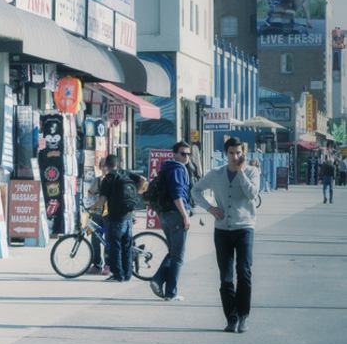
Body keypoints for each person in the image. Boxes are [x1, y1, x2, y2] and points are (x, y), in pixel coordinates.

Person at [193, 137, 260, 333]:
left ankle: (243, 316)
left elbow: (252, 194)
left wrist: (240, 172)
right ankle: (231, 318)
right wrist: (210, 208)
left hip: (244, 227)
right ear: (225, 153)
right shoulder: (216, 174)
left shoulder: (251, 171)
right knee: (226, 276)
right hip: (222, 230)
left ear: (243, 153)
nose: (235, 157)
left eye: (238, 153)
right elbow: (195, 190)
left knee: (244, 272)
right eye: (231, 153)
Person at [149, 141, 193, 301]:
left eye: (188, 154)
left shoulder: (166, 167)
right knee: (178, 256)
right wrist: (185, 215)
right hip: (176, 215)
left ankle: (158, 281)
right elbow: (177, 195)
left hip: (164, 215)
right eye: (183, 153)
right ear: (174, 154)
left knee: (173, 252)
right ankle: (170, 292)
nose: (186, 156)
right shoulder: (177, 169)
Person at [96, 155, 146, 282]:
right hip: (128, 217)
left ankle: (118, 275)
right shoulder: (126, 173)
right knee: (127, 247)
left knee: (115, 247)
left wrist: (92, 207)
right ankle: (127, 274)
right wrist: (136, 193)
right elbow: (143, 179)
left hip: (115, 217)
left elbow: (102, 200)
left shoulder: (108, 179)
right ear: (118, 164)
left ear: (106, 165)